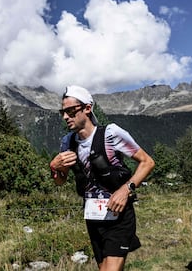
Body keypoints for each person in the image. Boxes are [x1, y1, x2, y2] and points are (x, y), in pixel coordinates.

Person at [49, 85, 155, 271]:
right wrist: (54, 167)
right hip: (93, 217)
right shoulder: (68, 142)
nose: (66, 117)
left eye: (71, 111)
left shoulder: (111, 134)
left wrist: (125, 190)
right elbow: (60, 181)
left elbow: (147, 162)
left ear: (87, 108)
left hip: (119, 215)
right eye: (62, 112)